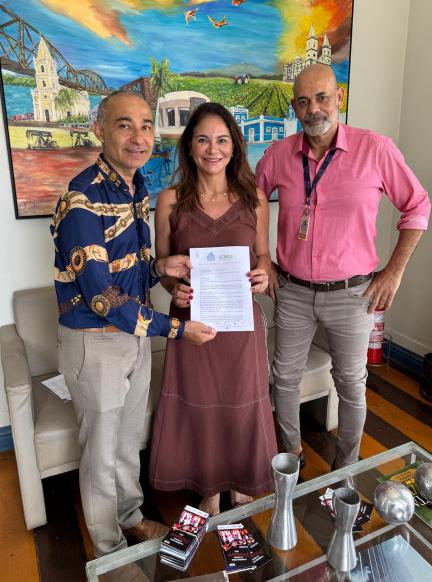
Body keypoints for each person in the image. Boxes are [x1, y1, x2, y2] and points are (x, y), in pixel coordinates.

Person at [50, 90, 216, 560]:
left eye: (146, 125)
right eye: (125, 125)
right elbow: (102, 296)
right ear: (99, 130)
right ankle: (110, 553)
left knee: (126, 442)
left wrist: (164, 268)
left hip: (134, 336)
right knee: (101, 454)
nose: (139, 137)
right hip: (95, 341)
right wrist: (177, 329)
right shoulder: (81, 198)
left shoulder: (136, 188)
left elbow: (129, 270)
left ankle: (130, 518)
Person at [256, 64, 430, 469]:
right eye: (303, 101)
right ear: (295, 107)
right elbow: (251, 202)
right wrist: (262, 258)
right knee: (284, 377)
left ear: (339, 98)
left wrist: (394, 271)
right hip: (293, 291)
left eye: (321, 98)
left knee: (351, 384)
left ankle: (345, 469)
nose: (313, 109)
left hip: (353, 295)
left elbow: (418, 206)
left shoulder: (376, 149)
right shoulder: (279, 154)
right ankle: (292, 455)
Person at [149, 102, 278, 516]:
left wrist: (263, 274)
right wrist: (175, 288)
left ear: (234, 146)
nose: (212, 149)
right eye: (203, 140)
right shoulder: (169, 201)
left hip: (241, 325)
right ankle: (208, 486)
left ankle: (239, 479)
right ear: (189, 147)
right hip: (191, 324)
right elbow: (163, 265)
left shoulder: (254, 199)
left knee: (242, 402)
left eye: (222, 140)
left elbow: (264, 256)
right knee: (199, 403)